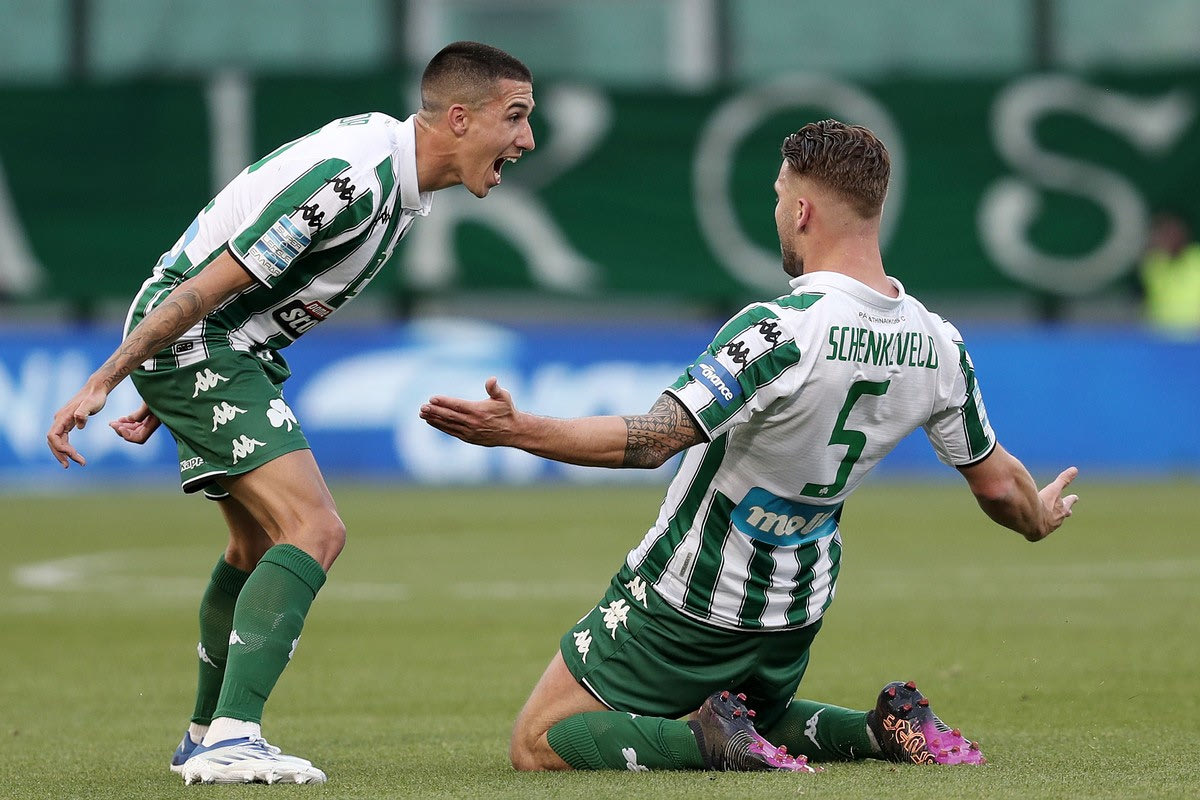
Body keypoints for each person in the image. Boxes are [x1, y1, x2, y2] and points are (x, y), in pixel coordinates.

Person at [420, 119, 1079, 774]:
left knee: (539, 740)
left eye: (778, 197)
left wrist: (518, 430)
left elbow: (655, 440)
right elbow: (999, 485)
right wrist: (1039, 517)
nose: (777, 213)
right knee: (744, 714)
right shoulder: (939, 343)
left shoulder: (779, 332)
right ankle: (881, 729)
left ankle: (714, 743)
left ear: (803, 211)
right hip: (795, 617)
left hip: (688, 604)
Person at [46, 41, 535, 785]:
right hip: (203, 340)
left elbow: (245, 290)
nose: (527, 139)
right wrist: (110, 376)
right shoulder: (354, 180)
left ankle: (205, 734)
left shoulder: (396, 181)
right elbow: (210, 282)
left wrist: (158, 383)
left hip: (218, 347)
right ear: (460, 118)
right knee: (315, 529)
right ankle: (232, 737)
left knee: (253, 548)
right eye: (516, 117)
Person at [1139, 211, 1200, 337]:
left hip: (1195, 335)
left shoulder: (1196, 257)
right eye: (1164, 233)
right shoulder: (1153, 264)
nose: (1168, 237)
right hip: (1161, 336)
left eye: (1172, 232)